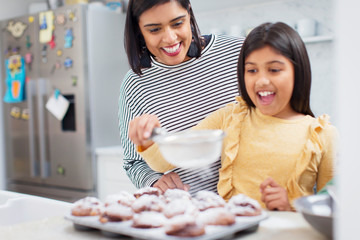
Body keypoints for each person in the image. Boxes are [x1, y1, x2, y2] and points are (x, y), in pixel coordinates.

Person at [128, 22, 337, 211]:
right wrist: (146, 139)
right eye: (252, 70)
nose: (261, 80)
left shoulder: (323, 134)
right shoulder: (231, 117)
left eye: (274, 70)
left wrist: (291, 205)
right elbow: (167, 160)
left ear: (298, 72)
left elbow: (335, 207)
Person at [118, 0, 244, 195]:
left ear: (189, 13)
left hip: (249, 207)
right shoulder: (135, 84)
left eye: (177, 23)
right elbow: (132, 163)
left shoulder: (238, 54)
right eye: (154, 30)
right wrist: (154, 181)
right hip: (186, 212)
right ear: (138, 29)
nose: (170, 38)